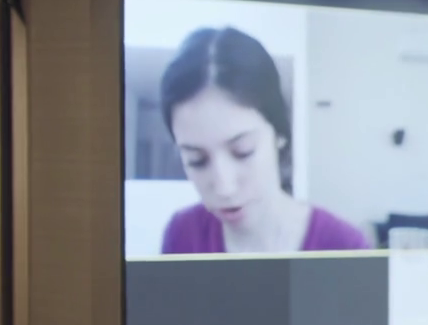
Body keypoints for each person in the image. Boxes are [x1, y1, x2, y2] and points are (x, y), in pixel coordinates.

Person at [158, 27, 369, 255]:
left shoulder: (345, 246)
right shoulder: (182, 233)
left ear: (279, 134)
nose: (225, 188)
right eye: (196, 160)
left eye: (243, 151)